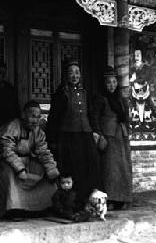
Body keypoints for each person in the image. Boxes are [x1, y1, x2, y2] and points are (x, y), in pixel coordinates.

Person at [0, 101, 59, 219]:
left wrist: (51, 169)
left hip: (28, 162)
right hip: (9, 163)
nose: (36, 120)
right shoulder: (13, 127)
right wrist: (19, 169)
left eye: (38, 117)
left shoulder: (38, 132)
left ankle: (43, 207)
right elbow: (7, 151)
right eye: (32, 116)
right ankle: (14, 210)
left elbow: (43, 152)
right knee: (10, 175)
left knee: (46, 173)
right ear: (24, 115)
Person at [46, 60, 101, 204]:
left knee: (89, 166)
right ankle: (71, 202)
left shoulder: (84, 93)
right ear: (65, 75)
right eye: (71, 73)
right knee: (73, 168)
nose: (74, 76)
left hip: (85, 135)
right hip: (69, 136)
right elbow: (54, 118)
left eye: (77, 72)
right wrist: (52, 139)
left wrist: (95, 131)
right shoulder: (61, 93)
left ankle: (87, 200)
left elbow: (91, 114)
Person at [91, 66, 132, 210]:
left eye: (114, 82)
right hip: (108, 138)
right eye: (109, 82)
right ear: (104, 84)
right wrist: (99, 135)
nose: (112, 85)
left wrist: (127, 134)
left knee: (123, 168)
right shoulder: (100, 99)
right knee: (109, 170)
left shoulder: (120, 99)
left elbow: (126, 118)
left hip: (121, 137)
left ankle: (122, 198)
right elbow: (95, 118)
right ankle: (110, 198)